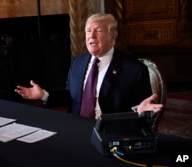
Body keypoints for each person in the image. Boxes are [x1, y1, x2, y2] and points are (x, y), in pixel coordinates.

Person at [14, 13, 163, 119]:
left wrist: (140, 111)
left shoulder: (134, 70)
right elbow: (70, 95)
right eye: (88, 31)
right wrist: (43, 95)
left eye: (98, 31)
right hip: (75, 127)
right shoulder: (78, 62)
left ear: (112, 38)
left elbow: (146, 107)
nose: (91, 36)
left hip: (110, 132)